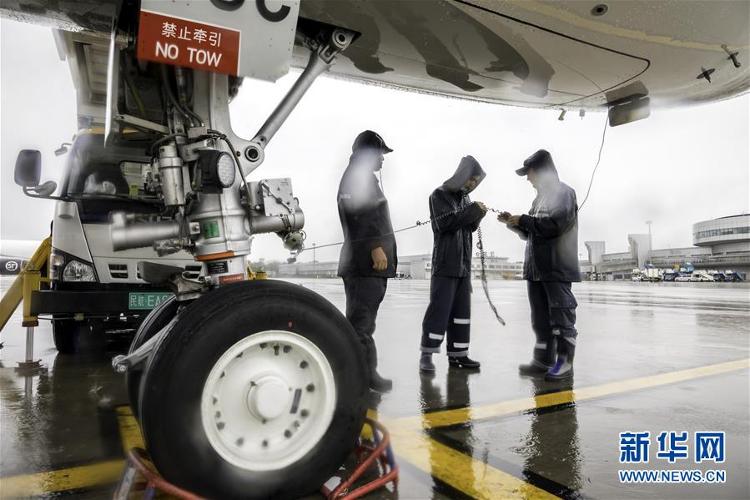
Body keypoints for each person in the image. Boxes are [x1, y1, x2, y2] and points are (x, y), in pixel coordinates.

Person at [498, 149, 580, 381]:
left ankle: (565, 362)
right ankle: (543, 360)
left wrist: (524, 220)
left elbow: (556, 225)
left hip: (556, 267)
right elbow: (531, 233)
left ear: (541, 171)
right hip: (536, 270)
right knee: (541, 320)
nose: (528, 178)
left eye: (530, 172)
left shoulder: (564, 193)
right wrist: (514, 223)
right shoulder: (540, 198)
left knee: (561, 317)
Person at [337, 130, 397, 393]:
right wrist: (375, 246)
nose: (383, 160)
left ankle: (361, 374)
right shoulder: (357, 177)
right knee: (361, 325)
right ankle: (361, 378)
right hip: (364, 263)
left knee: (363, 323)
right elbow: (358, 213)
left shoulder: (362, 177)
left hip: (366, 264)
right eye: (380, 154)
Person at [420, 156, 488, 373]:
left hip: (463, 266)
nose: (472, 185)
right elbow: (445, 224)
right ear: (462, 175)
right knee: (439, 312)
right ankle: (427, 355)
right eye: (471, 180)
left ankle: (459, 355)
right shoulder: (439, 194)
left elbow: (467, 226)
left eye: (476, 183)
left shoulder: (466, 200)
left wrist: (477, 216)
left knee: (461, 312)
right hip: (445, 265)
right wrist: (472, 212)